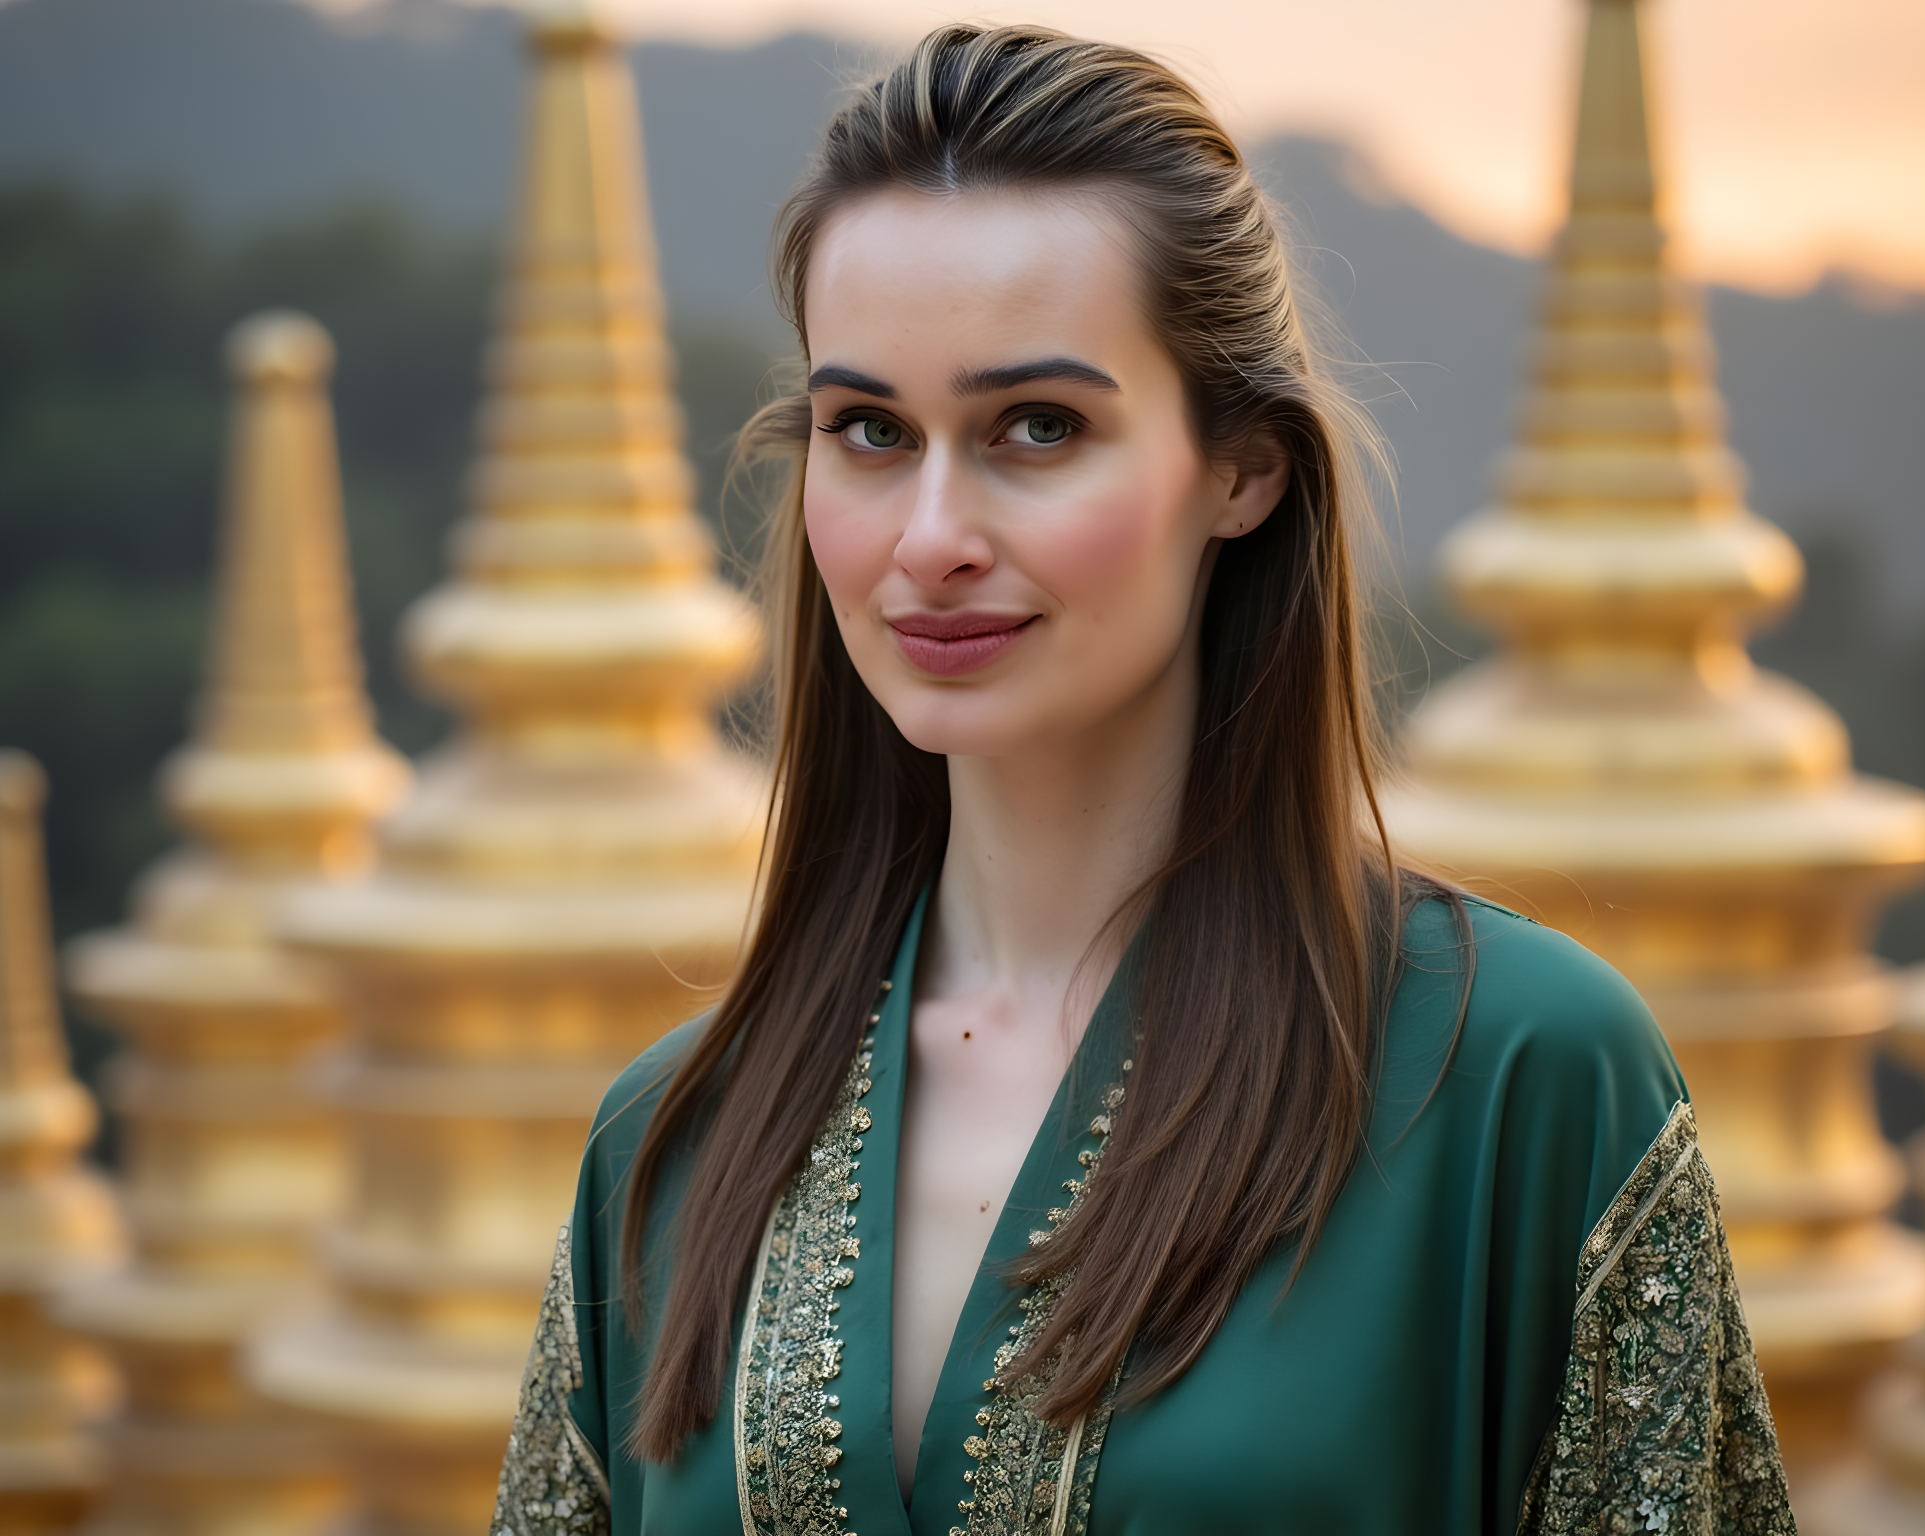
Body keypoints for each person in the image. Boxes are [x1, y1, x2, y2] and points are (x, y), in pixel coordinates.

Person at [492, 24, 1793, 1536]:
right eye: (869, 432)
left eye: (1036, 428)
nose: (929, 538)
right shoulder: (672, 1146)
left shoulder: (1523, 1079)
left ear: (1240, 470)